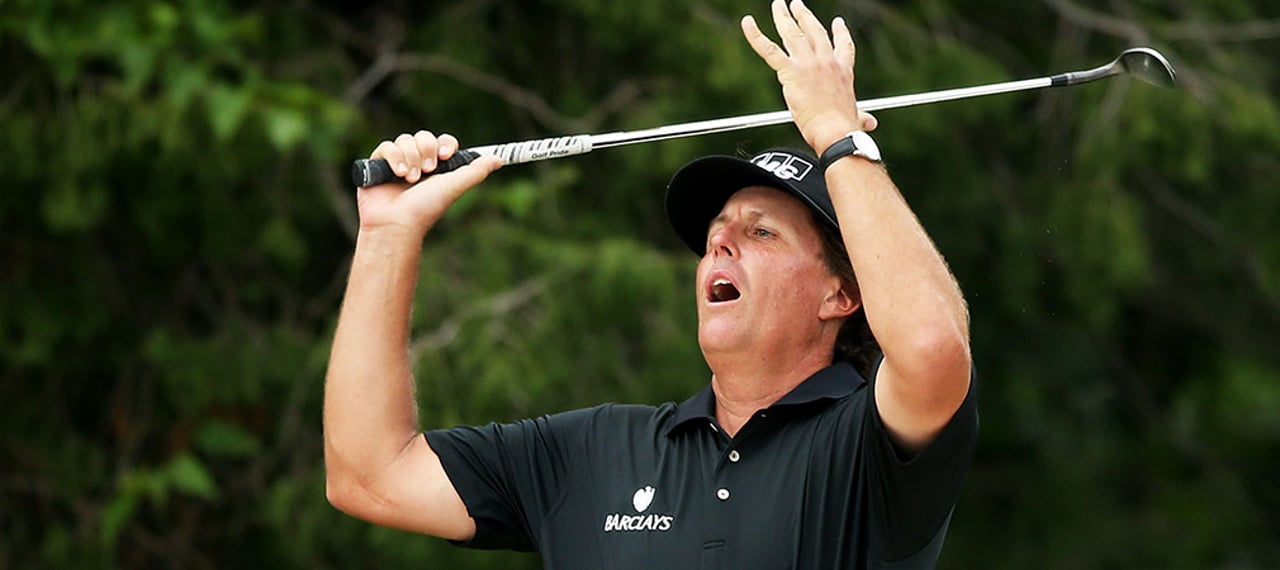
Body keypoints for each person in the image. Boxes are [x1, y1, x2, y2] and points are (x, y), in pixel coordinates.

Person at [323, 1, 977, 568]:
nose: (719, 242)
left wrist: (837, 134)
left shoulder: (871, 445)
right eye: (716, 232)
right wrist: (388, 236)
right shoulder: (596, 451)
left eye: (762, 233)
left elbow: (930, 344)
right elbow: (368, 474)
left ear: (840, 295)